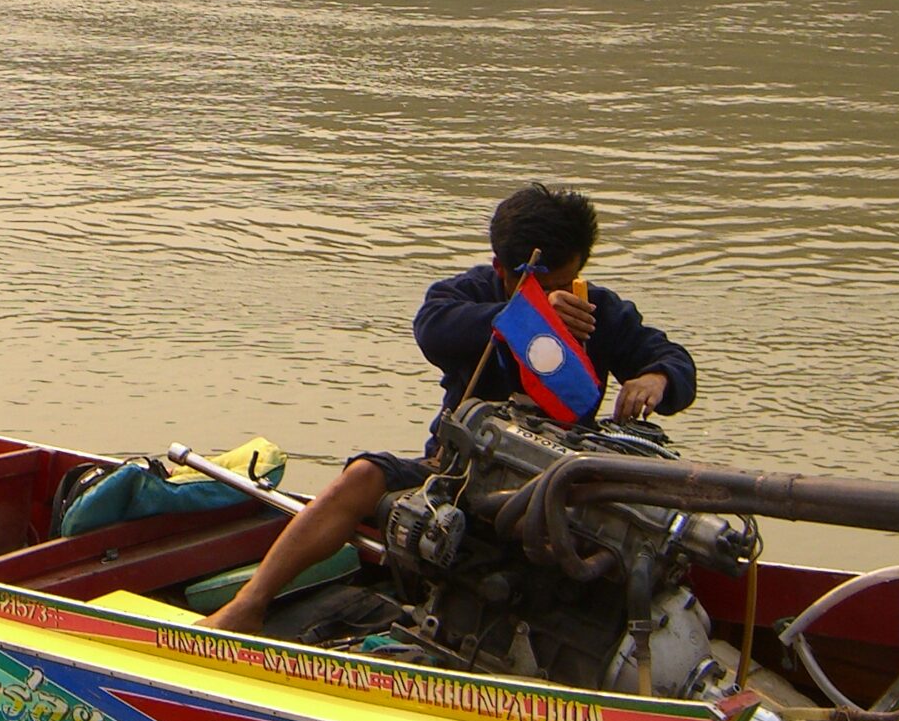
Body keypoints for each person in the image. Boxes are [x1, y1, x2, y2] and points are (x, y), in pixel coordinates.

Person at [201, 183, 696, 635]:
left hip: (557, 487)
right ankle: (251, 603)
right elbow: (433, 328)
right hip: (455, 474)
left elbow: (673, 361)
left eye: (569, 282)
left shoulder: (599, 313)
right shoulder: (469, 297)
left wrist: (656, 378)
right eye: (545, 288)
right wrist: (525, 319)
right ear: (504, 270)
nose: (560, 298)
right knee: (362, 476)